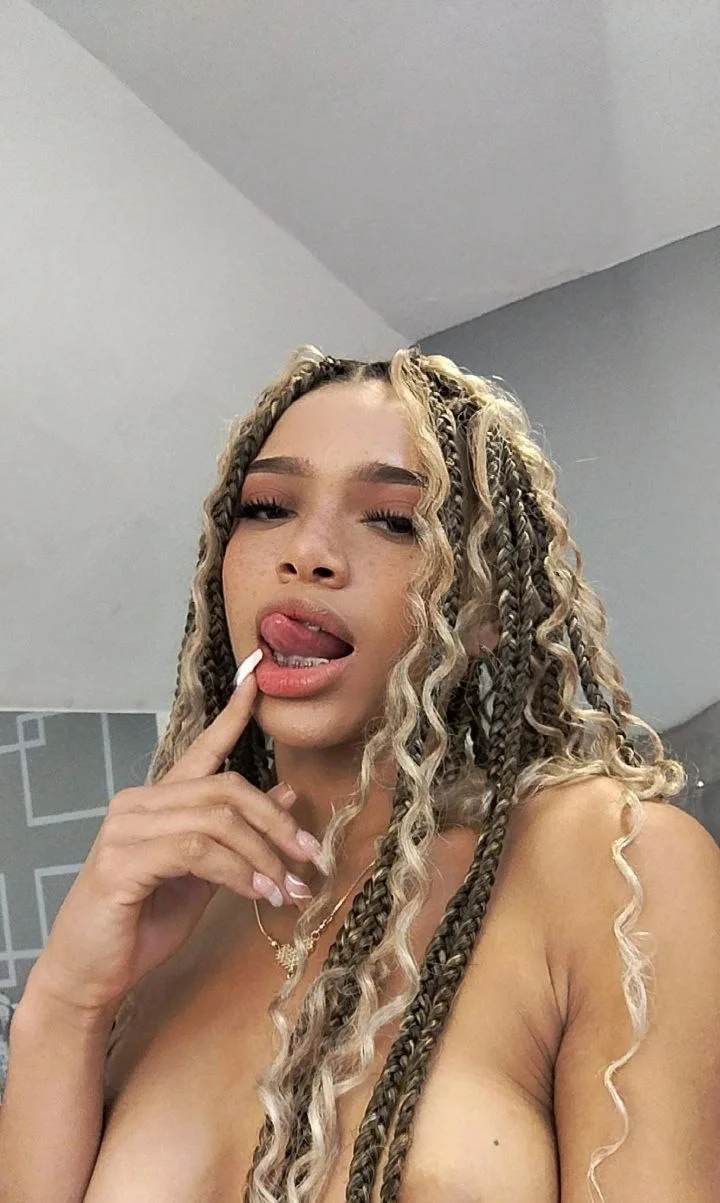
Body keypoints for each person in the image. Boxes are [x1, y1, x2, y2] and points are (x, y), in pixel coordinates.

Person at [1, 346, 719, 1203]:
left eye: (394, 520)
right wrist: (66, 1001)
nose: (307, 551)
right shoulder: (169, 923)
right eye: (268, 508)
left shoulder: (614, 864)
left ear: (486, 608)